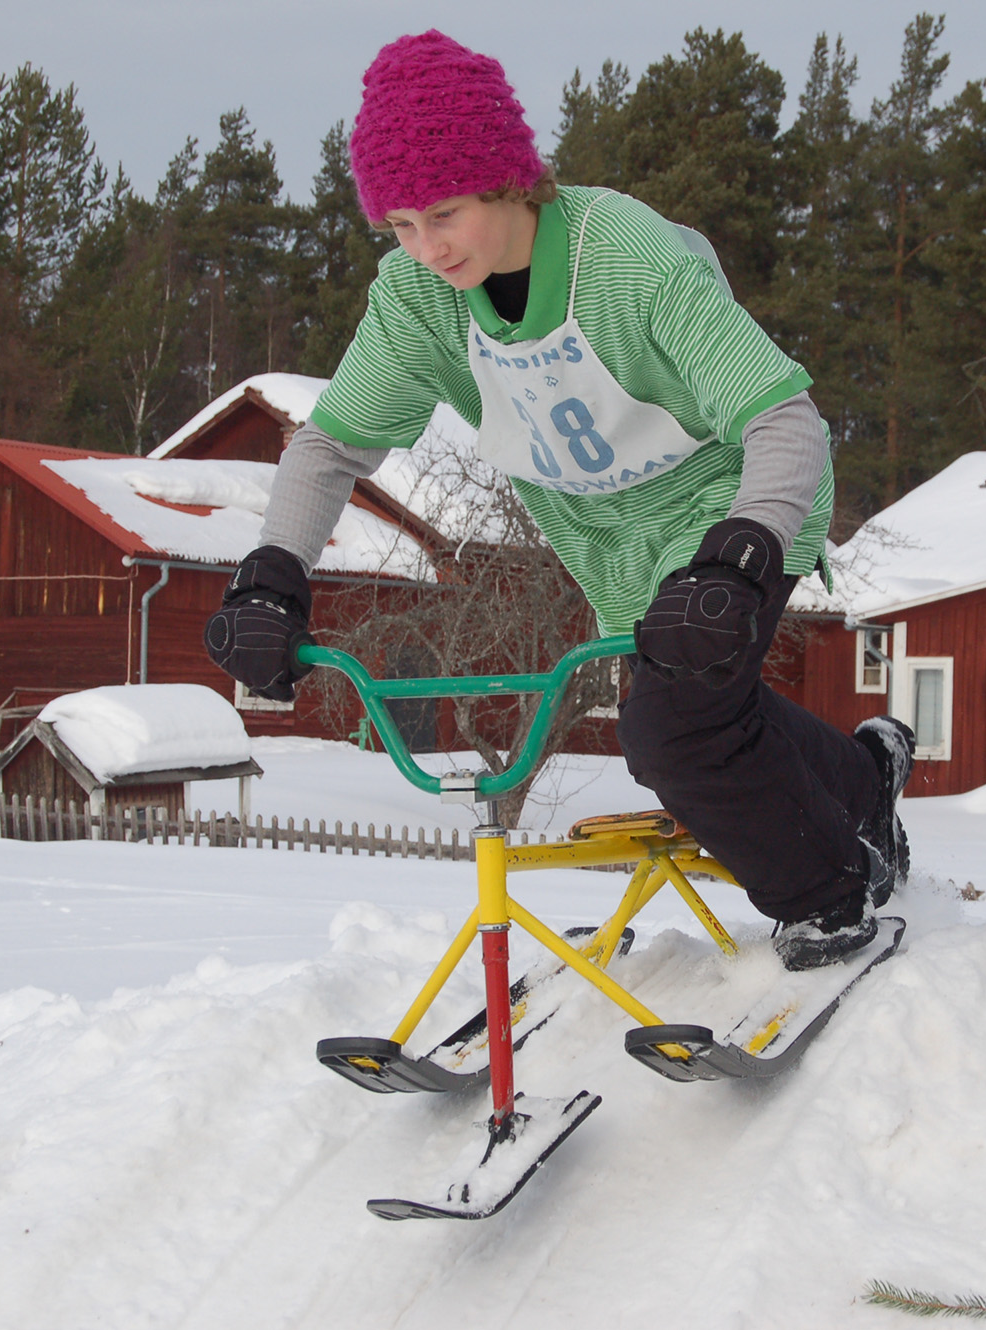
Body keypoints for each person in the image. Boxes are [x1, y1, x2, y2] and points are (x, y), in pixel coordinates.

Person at [200, 31, 914, 971]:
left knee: (669, 733)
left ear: (508, 179)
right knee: (695, 713)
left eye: (444, 214)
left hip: (733, 504)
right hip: (608, 541)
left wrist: (742, 552)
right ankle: (866, 776)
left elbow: (786, 420)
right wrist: (272, 573)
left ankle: (830, 895)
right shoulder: (419, 298)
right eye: (401, 227)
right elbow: (333, 443)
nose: (427, 248)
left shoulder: (629, 259)